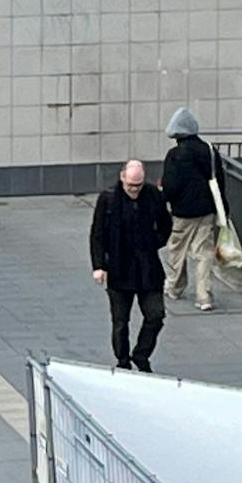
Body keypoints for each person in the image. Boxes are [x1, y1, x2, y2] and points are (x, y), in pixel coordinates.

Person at [90, 160, 172, 372]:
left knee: (155, 315)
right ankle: (123, 360)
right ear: (122, 178)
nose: (134, 190)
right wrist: (99, 266)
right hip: (119, 267)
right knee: (120, 321)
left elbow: (165, 223)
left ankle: (141, 354)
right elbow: (98, 234)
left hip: (147, 266)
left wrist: (156, 241)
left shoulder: (153, 195)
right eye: (130, 186)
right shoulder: (108, 199)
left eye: (138, 185)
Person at [159, 107, 222, 312]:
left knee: (177, 249)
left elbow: (170, 185)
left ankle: (175, 286)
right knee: (203, 252)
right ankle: (204, 296)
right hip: (206, 209)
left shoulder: (175, 155)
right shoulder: (210, 151)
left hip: (182, 211)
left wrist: (164, 200)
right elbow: (219, 179)